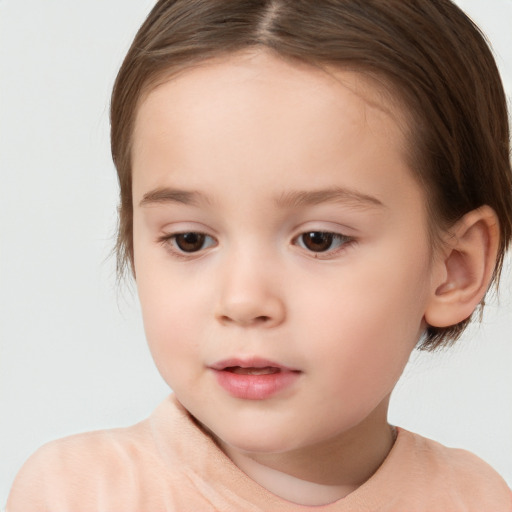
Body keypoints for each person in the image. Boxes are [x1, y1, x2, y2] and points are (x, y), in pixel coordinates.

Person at [6, 0, 512, 510]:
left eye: (318, 239)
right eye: (190, 240)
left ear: (454, 269)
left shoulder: (474, 498)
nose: (244, 300)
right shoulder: (82, 494)